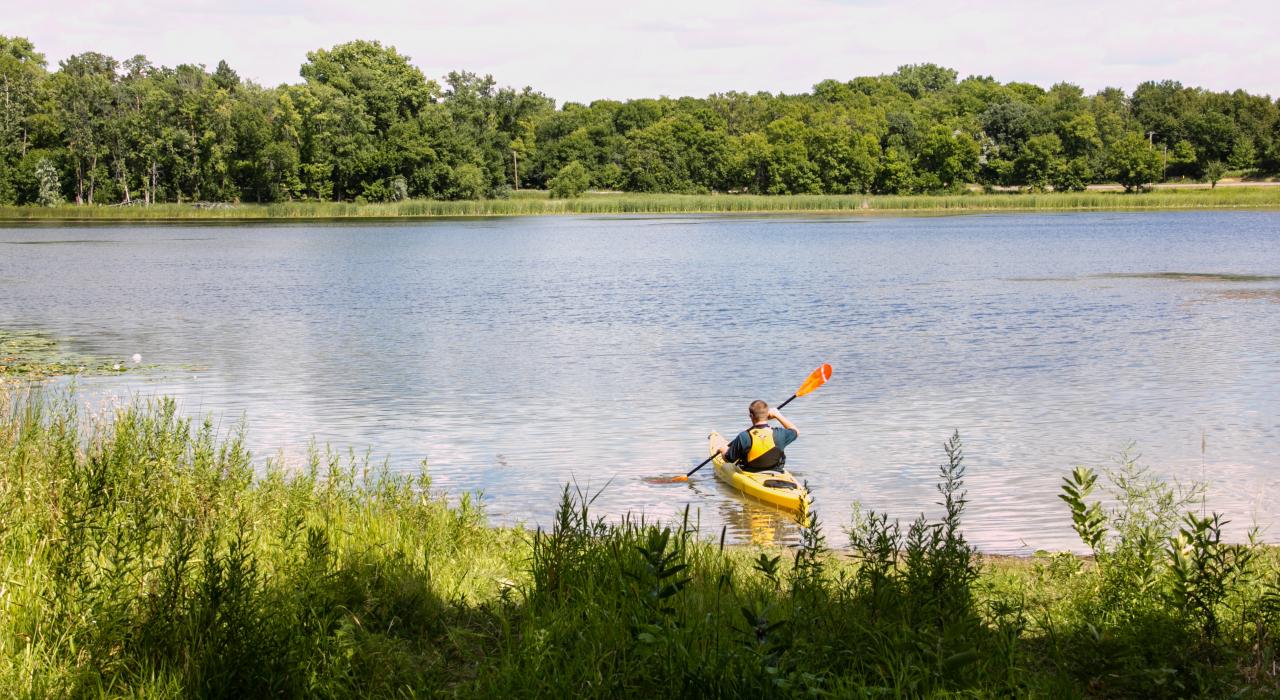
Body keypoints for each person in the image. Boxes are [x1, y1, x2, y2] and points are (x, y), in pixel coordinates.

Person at [717, 399, 799, 472]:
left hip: (750, 473)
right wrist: (778, 415)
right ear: (768, 415)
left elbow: (729, 459)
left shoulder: (744, 436)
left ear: (751, 416)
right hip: (776, 471)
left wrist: (723, 450)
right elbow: (795, 431)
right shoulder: (780, 434)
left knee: (728, 463)